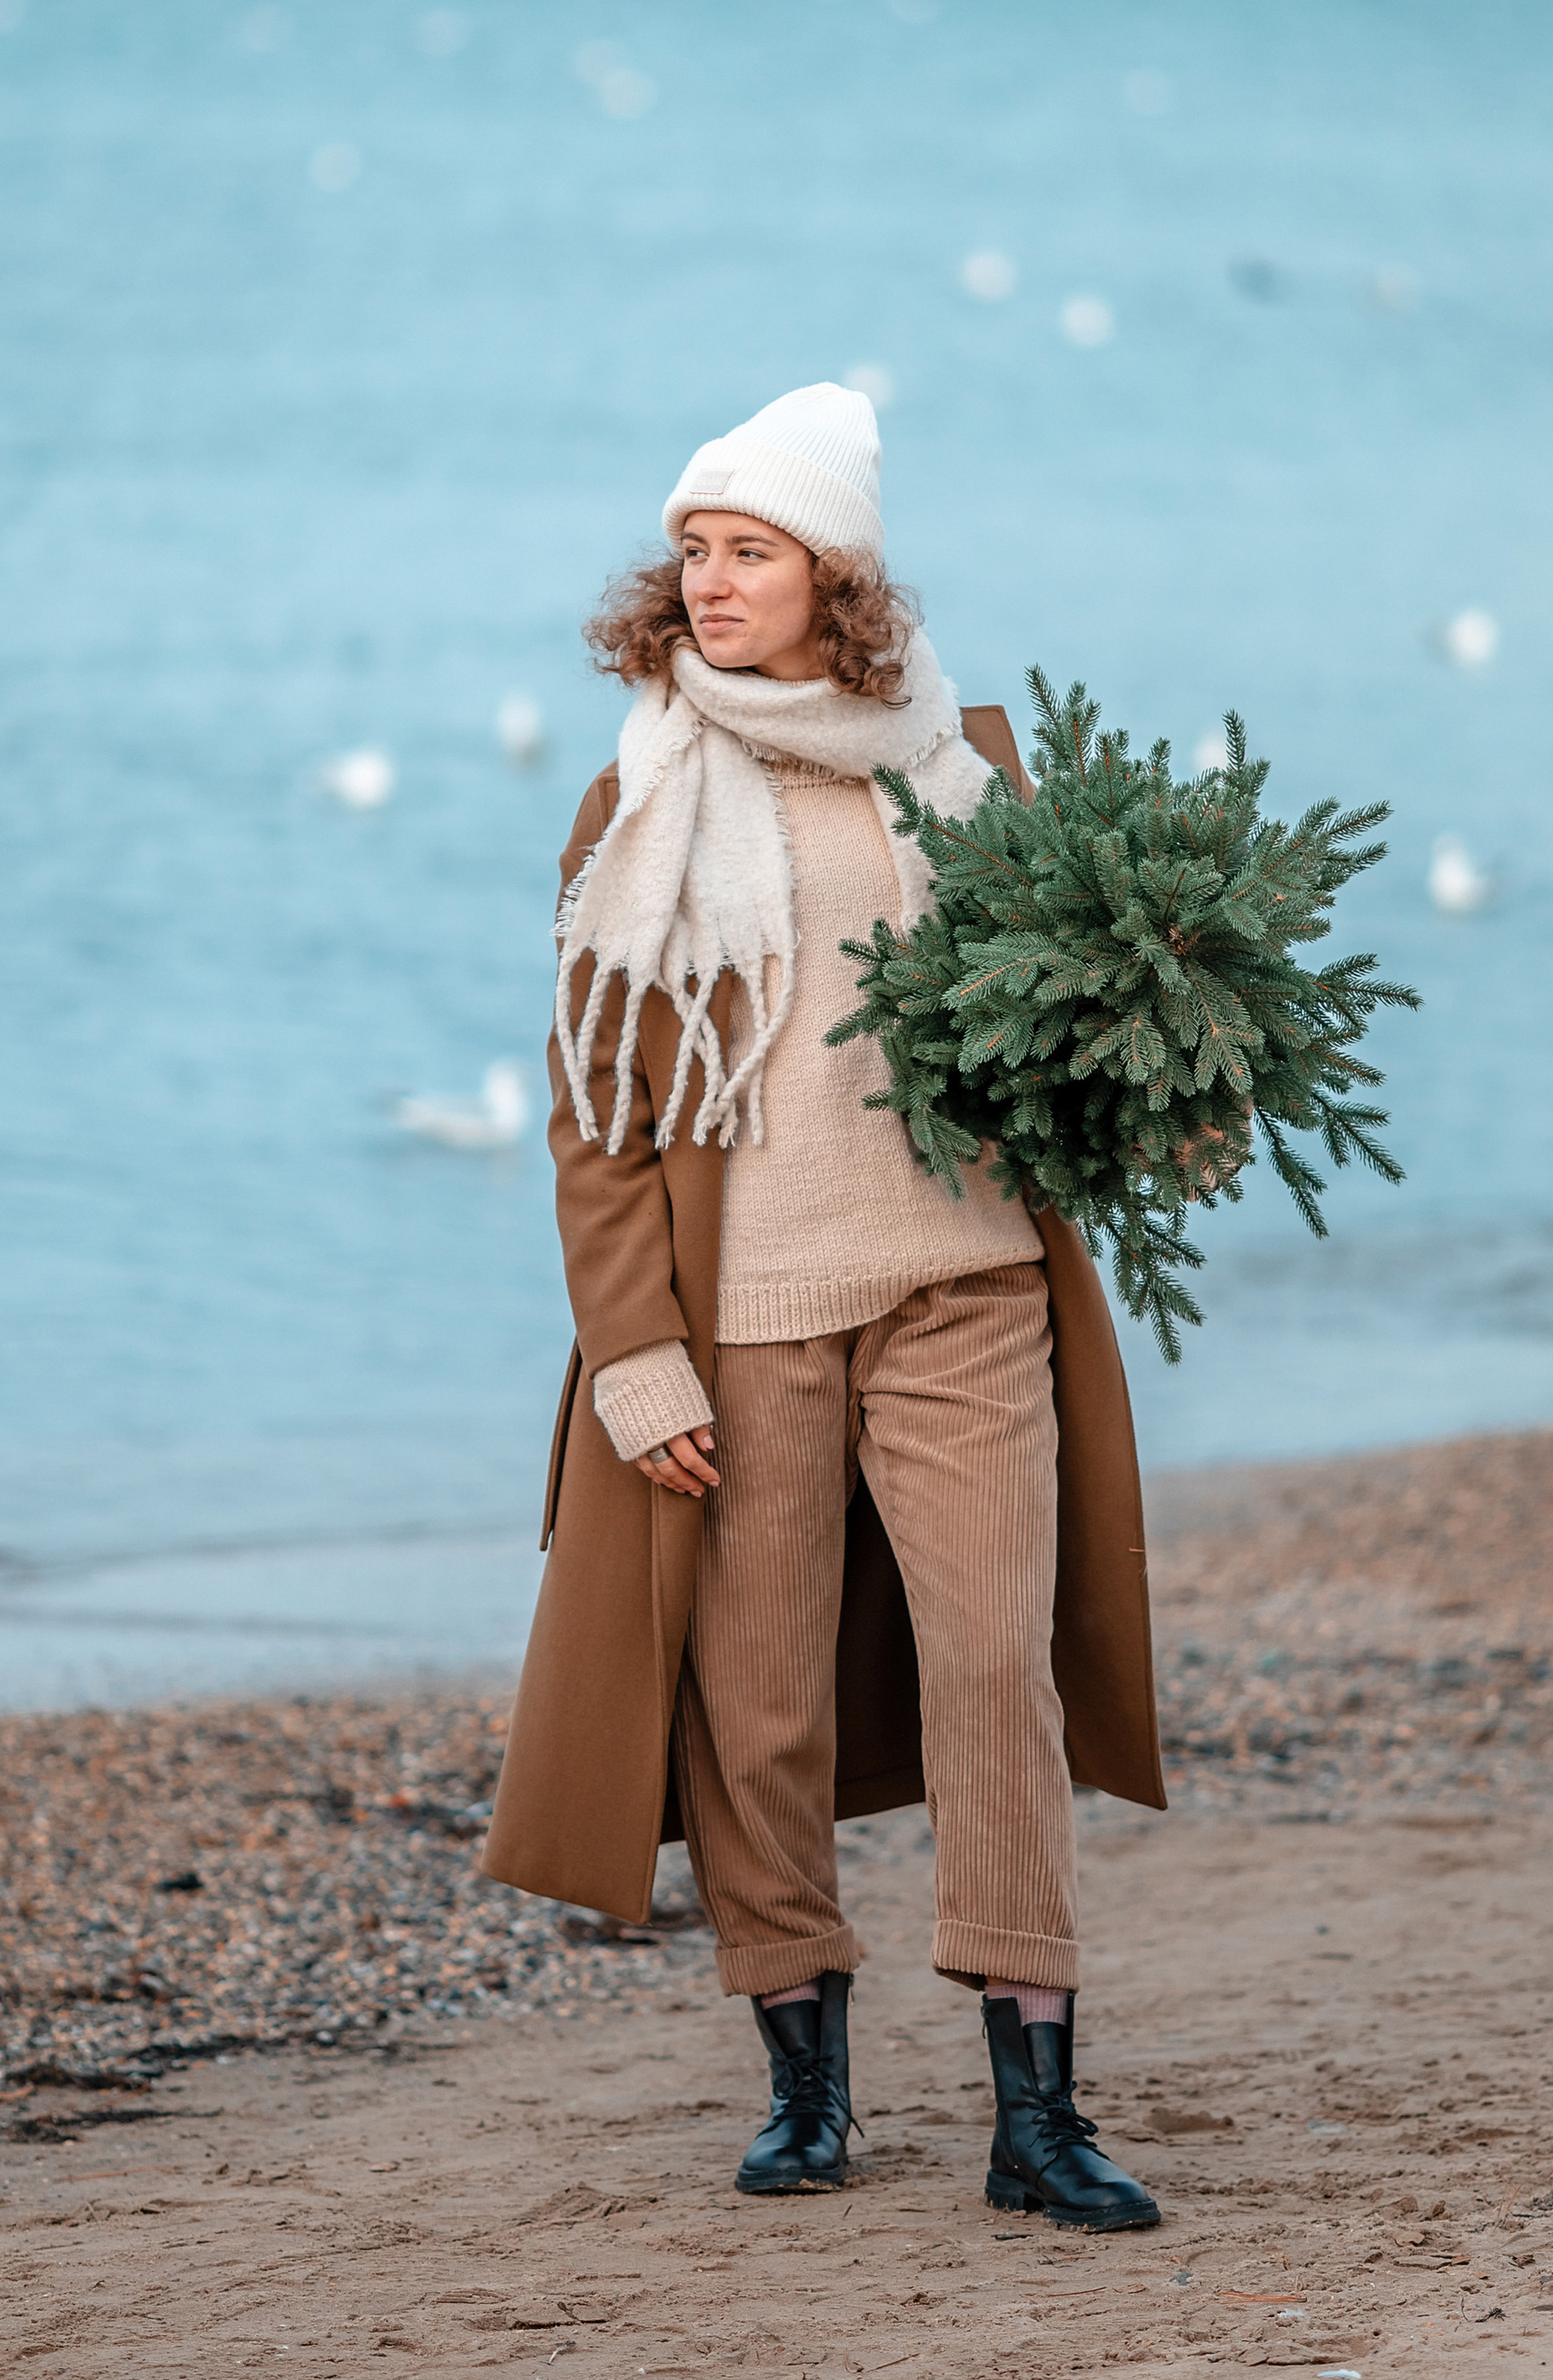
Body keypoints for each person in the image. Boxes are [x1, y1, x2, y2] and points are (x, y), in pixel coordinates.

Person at [482, 383, 1166, 2232]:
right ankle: (805, 2085)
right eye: (694, 553)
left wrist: (1161, 1077)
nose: (710, 585)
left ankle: (1037, 2113)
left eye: (750, 552)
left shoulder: (965, 766)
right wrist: (631, 1352)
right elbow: (593, 1108)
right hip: (745, 1324)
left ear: (833, 577)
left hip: (966, 1289)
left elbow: (1093, 1012)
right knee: (756, 1705)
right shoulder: (637, 795)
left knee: (992, 1671)